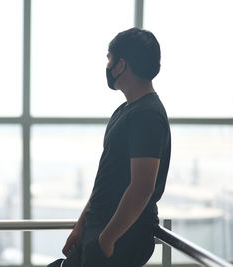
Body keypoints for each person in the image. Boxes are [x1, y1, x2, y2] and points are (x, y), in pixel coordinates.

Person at [48, 27, 171, 267]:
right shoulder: (126, 111)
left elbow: (142, 187)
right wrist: (81, 226)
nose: (107, 65)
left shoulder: (147, 115)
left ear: (121, 64)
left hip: (120, 238)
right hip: (99, 232)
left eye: (109, 58)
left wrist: (107, 239)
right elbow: (106, 178)